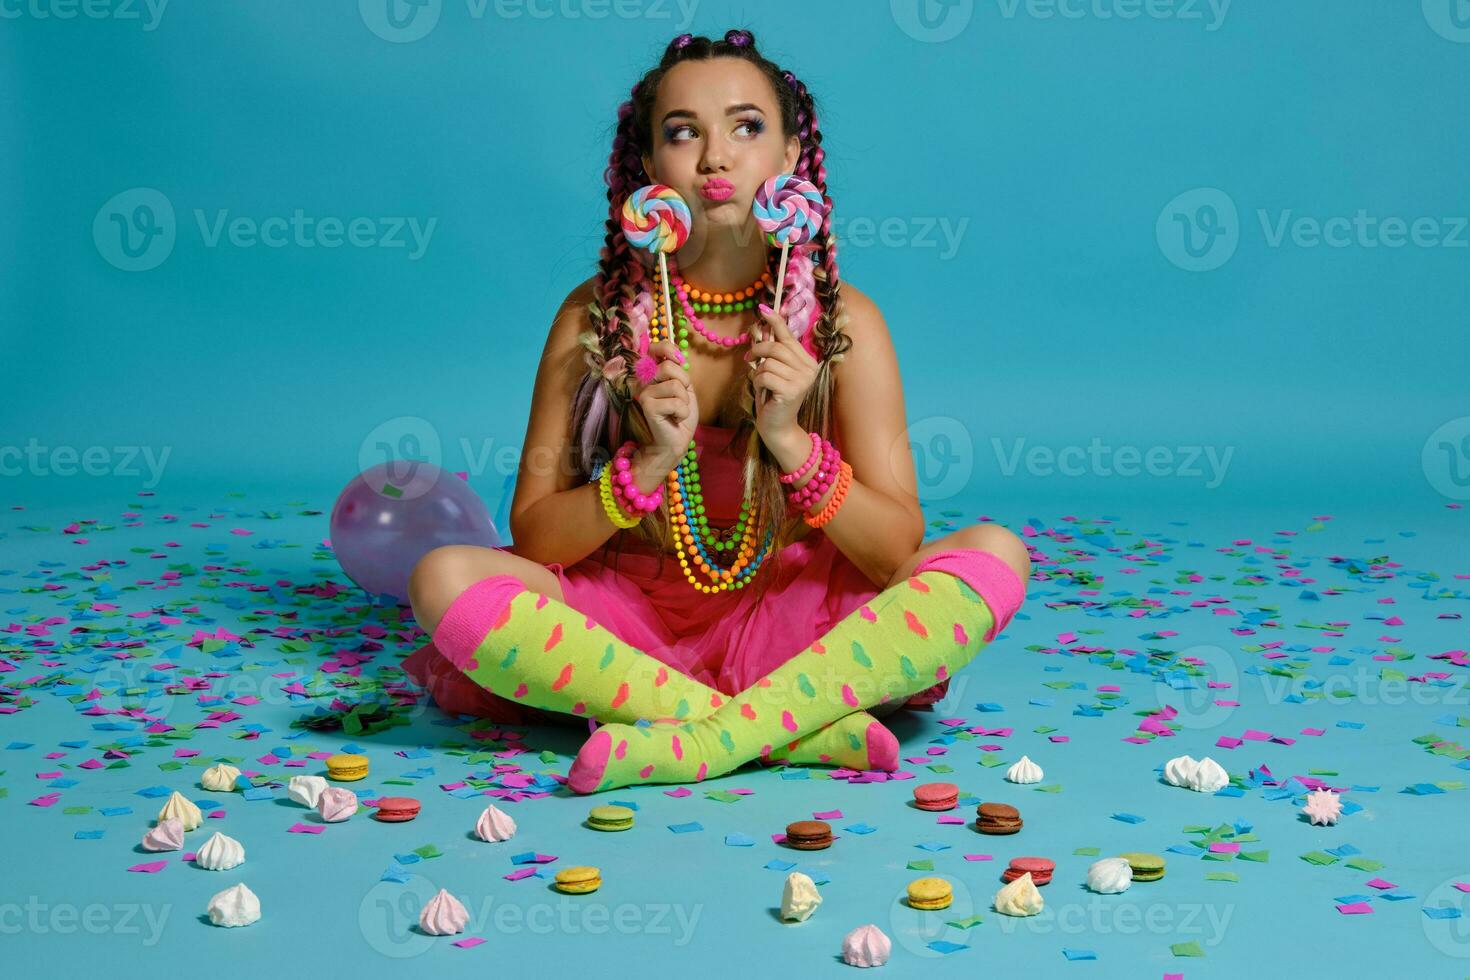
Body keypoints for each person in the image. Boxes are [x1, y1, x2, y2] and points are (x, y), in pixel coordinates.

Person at [402, 29, 1031, 792]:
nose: (715, 157)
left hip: (801, 616)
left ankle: (692, 738)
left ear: (793, 157)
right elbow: (536, 539)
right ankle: (783, 729)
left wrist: (790, 440)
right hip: (628, 619)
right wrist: (646, 466)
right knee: (442, 578)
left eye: (746, 126)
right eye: (682, 133)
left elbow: (895, 546)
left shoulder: (846, 324)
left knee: (995, 552)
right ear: (648, 166)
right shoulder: (592, 320)